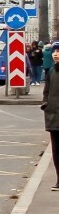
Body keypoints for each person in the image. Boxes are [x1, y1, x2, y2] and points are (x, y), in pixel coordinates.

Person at [45, 46, 59, 191]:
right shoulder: (51, 71)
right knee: (56, 150)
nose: (55, 54)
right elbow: (46, 91)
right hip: (53, 115)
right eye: (54, 51)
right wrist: (45, 103)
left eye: (58, 51)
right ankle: (58, 179)